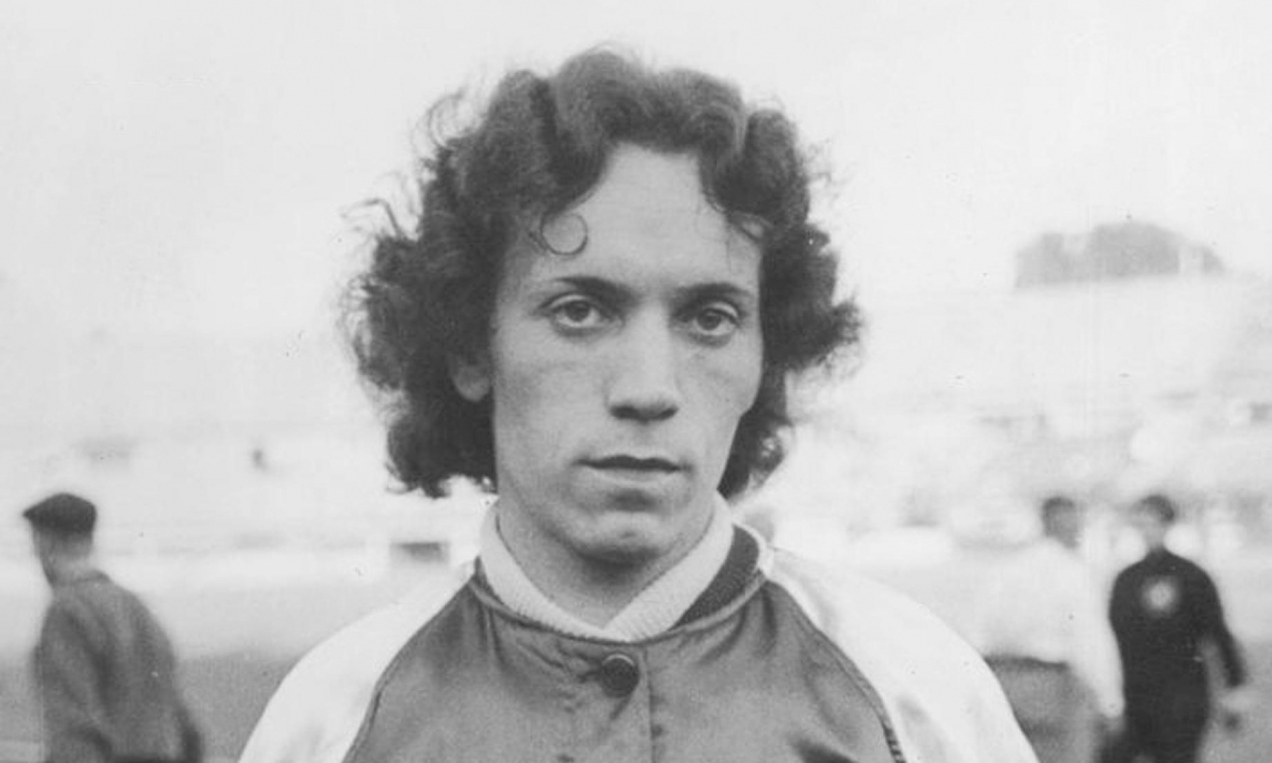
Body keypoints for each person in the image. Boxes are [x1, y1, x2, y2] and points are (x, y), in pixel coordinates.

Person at [240, 48, 1036, 762]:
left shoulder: (918, 697)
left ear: (765, 354)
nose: (650, 387)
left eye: (709, 318)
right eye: (580, 311)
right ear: (471, 348)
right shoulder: (333, 720)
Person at [22, 491, 203, 763]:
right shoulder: (136, 607)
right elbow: (185, 724)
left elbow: (73, 731)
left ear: (46, 542)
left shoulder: (67, 612)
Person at [969, 494, 1123, 763]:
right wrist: (1110, 702)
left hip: (1004, 680)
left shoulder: (1008, 568)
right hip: (1054, 685)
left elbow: (978, 631)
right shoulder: (1072, 571)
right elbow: (1089, 642)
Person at [1105, 493, 1252, 763]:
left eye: (1154, 523)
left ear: (1168, 524)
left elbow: (1217, 632)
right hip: (1137, 697)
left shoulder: (1192, 576)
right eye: (1142, 523)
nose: (1148, 530)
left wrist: (1235, 686)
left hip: (1183, 698)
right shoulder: (1126, 580)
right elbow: (1112, 637)